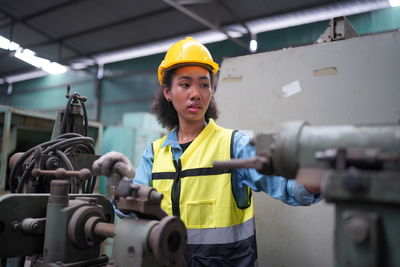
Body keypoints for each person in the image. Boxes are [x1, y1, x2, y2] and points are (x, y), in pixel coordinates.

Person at [95, 37, 321, 267]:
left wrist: (323, 170)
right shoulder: (154, 153)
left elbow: (291, 189)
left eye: (204, 84)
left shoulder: (235, 145)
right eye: (185, 84)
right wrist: (120, 182)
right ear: (167, 92)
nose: (196, 94)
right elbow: (132, 215)